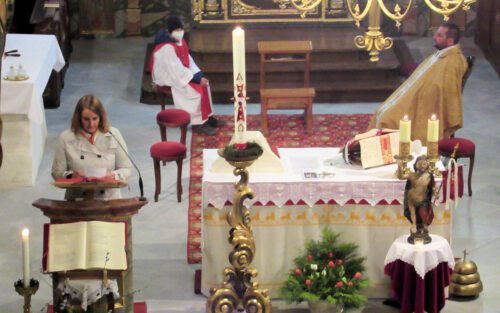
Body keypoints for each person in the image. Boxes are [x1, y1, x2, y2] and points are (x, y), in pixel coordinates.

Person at [368, 23, 468, 144]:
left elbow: (446, 92)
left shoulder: (453, 62)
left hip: (425, 105)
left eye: (439, 35)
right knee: (381, 112)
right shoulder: (442, 53)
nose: (434, 37)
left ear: (450, 41)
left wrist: (420, 95)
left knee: (387, 119)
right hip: (415, 96)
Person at [150, 15, 223, 136]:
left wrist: (199, 75)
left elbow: (188, 59)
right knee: (192, 90)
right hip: (167, 76)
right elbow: (176, 70)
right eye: (177, 30)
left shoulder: (180, 41)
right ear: (169, 31)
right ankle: (197, 124)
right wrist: (195, 80)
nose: (180, 32)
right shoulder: (166, 47)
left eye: (181, 29)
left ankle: (208, 117)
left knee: (205, 83)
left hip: (179, 73)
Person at [51, 95, 132, 200]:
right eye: (86, 119)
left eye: (95, 118)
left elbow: (126, 168)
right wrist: (71, 176)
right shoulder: (65, 138)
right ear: (78, 118)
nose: (91, 124)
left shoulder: (114, 135)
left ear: (101, 117)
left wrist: (114, 175)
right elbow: (56, 173)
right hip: (77, 199)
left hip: (109, 199)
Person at [403, 155, 435, 239]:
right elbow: (400, 176)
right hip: (411, 199)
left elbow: (432, 187)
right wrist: (399, 166)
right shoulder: (411, 175)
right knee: (412, 213)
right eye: (420, 164)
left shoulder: (429, 176)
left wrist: (435, 193)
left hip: (422, 199)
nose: (422, 166)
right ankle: (414, 225)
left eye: (424, 164)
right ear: (415, 165)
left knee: (423, 213)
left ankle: (424, 225)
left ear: (427, 165)